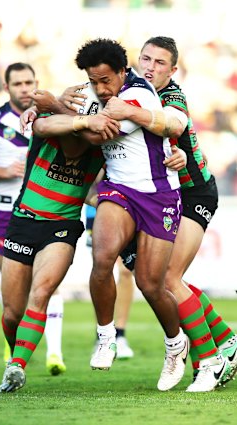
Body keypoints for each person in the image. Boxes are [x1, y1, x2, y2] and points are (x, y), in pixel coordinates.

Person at [97, 36, 236, 392]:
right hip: (152, 195)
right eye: (146, 59)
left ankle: (210, 360)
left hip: (193, 192)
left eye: (160, 63)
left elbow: (173, 125)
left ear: (173, 71)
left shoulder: (171, 95)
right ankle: (226, 339)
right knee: (157, 278)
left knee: (167, 278)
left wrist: (178, 154)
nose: (151, 66)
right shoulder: (126, 88)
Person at [71, 38, 190, 392]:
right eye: (93, 81)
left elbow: (96, 133)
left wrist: (72, 117)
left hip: (157, 194)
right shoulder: (96, 93)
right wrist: (61, 103)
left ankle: (175, 344)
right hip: (120, 189)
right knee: (102, 257)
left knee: (151, 284)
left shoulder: (140, 95)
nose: (100, 88)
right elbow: (85, 116)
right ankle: (106, 335)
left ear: (123, 72)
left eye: (106, 80)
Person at [0, 84, 121, 392]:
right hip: (23, 221)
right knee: (12, 314)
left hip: (62, 227)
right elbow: (40, 119)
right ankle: (18, 351)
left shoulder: (99, 146)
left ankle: (16, 368)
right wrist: (57, 110)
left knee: (41, 293)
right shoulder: (51, 127)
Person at [0, 62, 67, 376]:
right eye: (17, 83)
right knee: (14, 294)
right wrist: (1, 171)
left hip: (45, 211)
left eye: (29, 82)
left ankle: (55, 354)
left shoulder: (50, 120)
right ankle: (13, 348)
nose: (24, 88)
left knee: (48, 284)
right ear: (6, 88)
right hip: (5, 212)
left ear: (37, 83)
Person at [85, 204, 135, 360]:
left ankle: (120, 334)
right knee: (101, 271)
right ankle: (102, 333)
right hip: (98, 208)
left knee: (126, 270)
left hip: (130, 205)